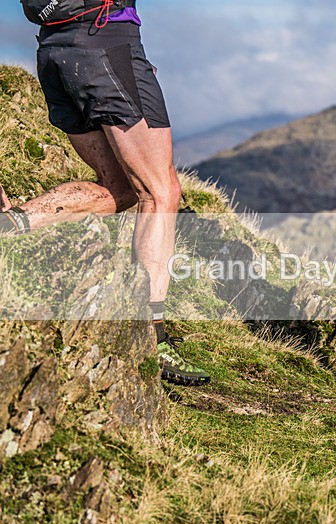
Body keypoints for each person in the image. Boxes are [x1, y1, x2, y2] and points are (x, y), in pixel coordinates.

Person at [1, 0, 209, 385]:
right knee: (160, 192)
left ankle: (12, 224)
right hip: (107, 41)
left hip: (54, 51)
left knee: (121, 187)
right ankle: (151, 334)